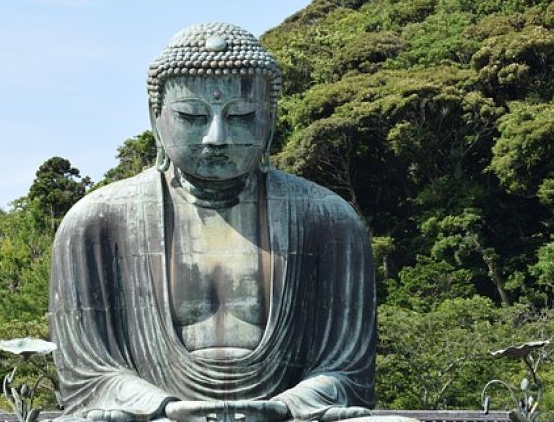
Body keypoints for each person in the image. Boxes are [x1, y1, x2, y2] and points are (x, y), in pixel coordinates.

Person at [49, 23, 413, 422]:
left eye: (241, 116)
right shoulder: (97, 223)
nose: (216, 137)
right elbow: (88, 377)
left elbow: (347, 374)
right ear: (156, 119)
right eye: (192, 116)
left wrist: (284, 407)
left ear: (269, 121)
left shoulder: (328, 220)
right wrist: (165, 408)